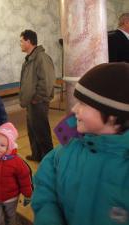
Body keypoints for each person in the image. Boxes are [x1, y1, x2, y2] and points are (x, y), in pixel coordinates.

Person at [31, 62, 129, 225]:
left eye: (83, 104)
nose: (75, 109)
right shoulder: (69, 147)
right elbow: (45, 184)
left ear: (112, 115)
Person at [19, 29, 56, 162]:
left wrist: (37, 98)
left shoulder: (41, 57)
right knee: (32, 130)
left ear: (29, 41)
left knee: (42, 132)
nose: (20, 44)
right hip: (31, 102)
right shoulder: (29, 59)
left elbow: (47, 80)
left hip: (38, 102)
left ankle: (49, 160)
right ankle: (37, 155)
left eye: (22, 41)